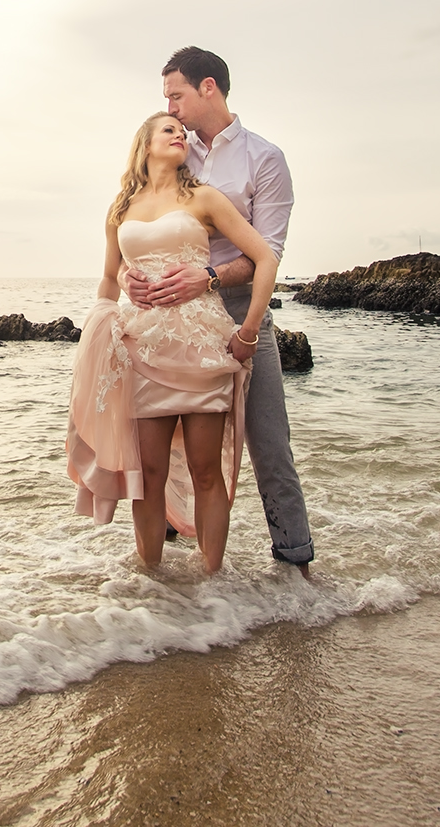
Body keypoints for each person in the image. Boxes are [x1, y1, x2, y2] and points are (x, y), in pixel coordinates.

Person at [124, 46, 315, 574]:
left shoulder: (263, 158)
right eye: (166, 101)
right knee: (163, 450)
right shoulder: (174, 148)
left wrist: (212, 282)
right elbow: (136, 229)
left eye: (176, 95)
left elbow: (267, 253)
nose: (171, 108)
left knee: (269, 444)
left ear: (209, 88)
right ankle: (162, 580)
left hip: (237, 306)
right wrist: (127, 278)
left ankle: (295, 568)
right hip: (167, 319)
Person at [66, 112, 280, 573]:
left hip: (201, 347)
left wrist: (249, 333)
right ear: (145, 144)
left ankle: (212, 585)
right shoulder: (120, 209)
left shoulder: (203, 197)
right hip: (142, 351)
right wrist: (101, 329)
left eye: (182, 132)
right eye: (169, 130)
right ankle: (151, 585)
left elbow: (264, 258)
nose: (180, 135)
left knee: (206, 471)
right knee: (150, 476)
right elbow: (108, 279)